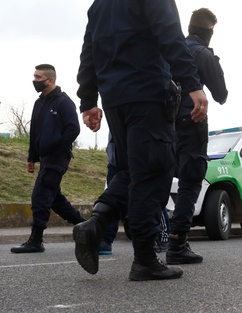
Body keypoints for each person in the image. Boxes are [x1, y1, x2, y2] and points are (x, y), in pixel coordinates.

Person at [74, 0, 208, 281]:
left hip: (114, 99)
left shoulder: (99, 4)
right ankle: (145, 259)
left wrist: (88, 100)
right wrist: (193, 85)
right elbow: (171, 37)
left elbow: (89, 50)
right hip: (147, 93)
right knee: (154, 171)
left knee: (131, 170)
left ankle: (96, 221)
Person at [167, 8, 228, 265]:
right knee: (191, 182)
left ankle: (149, 238)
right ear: (209, 31)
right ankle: (178, 243)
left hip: (162, 124)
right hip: (190, 123)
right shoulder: (202, 54)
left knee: (157, 181)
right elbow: (221, 94)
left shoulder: (170, 48)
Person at [11, 64, 85, 253]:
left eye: (38, 77)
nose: (34, 80)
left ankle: (36, 240)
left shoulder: (63, 102)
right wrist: (31, 158)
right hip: (45, 158)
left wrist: (58, 148)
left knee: (41, 194)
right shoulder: (39, 103)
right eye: (34, 76)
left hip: (57, 157)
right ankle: (87, 227)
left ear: (50, 80)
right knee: (54, 198)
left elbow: (73, 129)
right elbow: (34, 132)